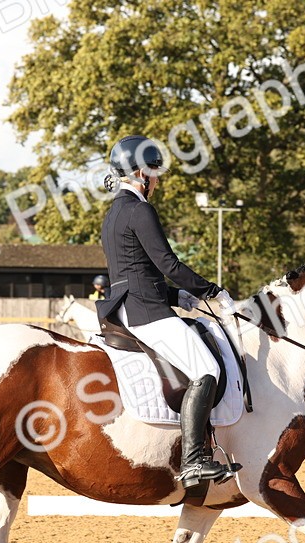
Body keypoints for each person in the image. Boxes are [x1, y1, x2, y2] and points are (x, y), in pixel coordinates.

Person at [96, 134, 239, 488]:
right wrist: (212, 291)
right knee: (206, 369)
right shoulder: (140, 209)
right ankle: (194, 460)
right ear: (141, 173)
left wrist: (179, 296)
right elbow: (168, 264)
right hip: (147, 312)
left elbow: (134, 273)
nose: (157, 180)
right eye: (155, 173)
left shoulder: (114, 213)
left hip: (129, 307)